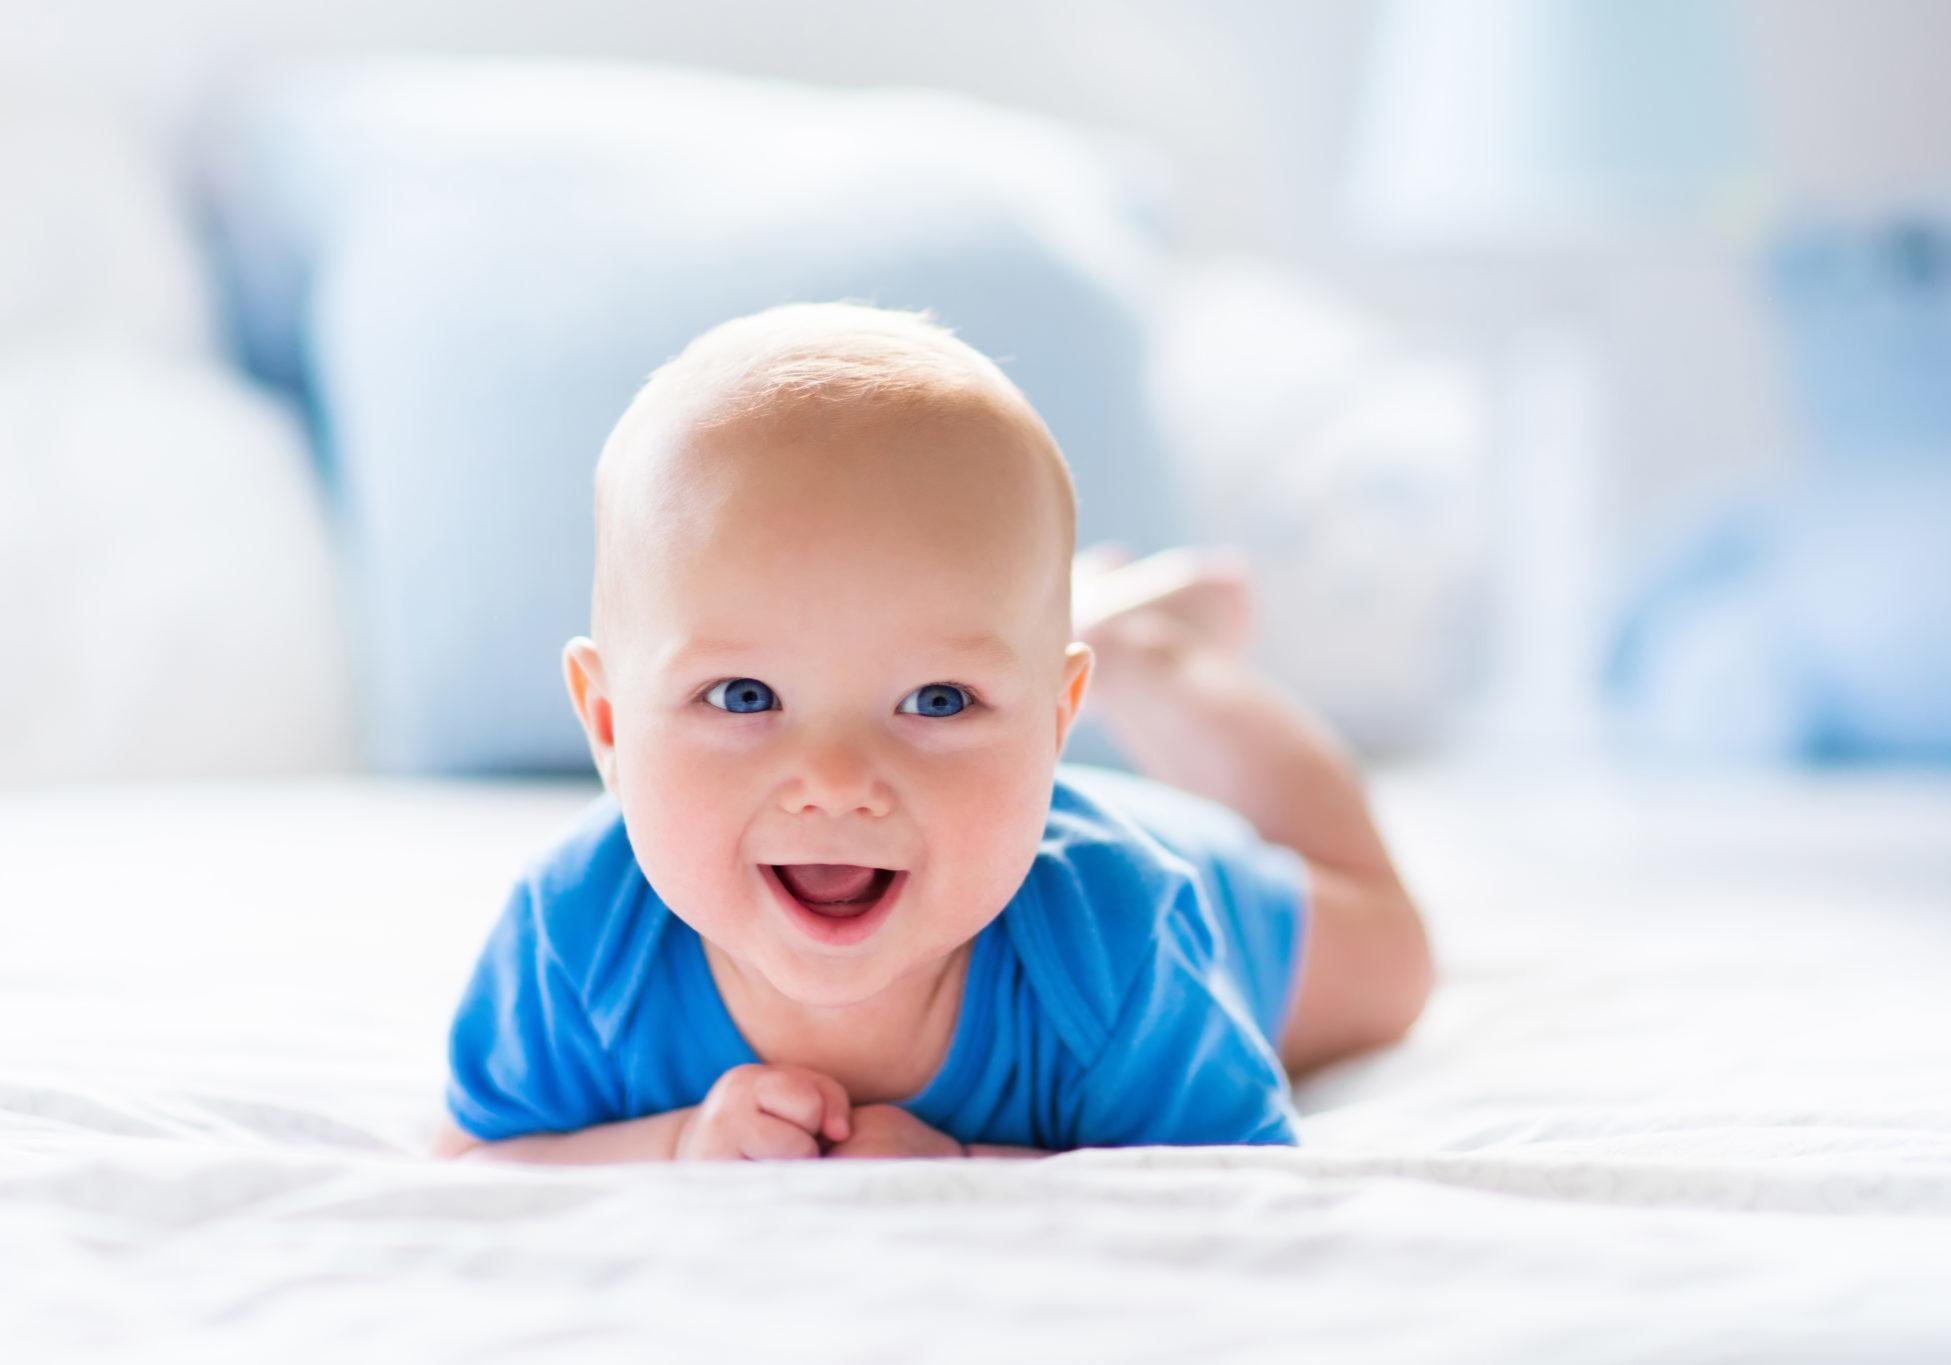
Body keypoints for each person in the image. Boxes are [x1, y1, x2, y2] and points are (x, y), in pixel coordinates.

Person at [431, 303, 1430, 1162]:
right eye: (742, 696)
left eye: (937, 699)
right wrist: (679, 1142)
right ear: (607, 723)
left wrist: (971, 1164)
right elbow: (483, 1155)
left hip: (1213, 892)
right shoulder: (578, 935)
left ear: (1052, 724)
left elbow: (1233, 1189)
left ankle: (1148, 660)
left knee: (1393, 961)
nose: (833, 780)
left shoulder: (1117, 941)